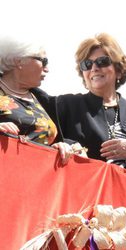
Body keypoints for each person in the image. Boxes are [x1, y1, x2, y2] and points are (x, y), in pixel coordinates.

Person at [38, 33, 126, 176]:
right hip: (89, 195)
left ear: (119, 70)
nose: (94, 68)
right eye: (87, 64)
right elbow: (27, 104)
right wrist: (68, 144)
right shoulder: (66, 105)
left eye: (102, 61)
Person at [0, 35, 78, 165]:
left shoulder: (45, 101)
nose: (47, 69)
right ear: (19, 60)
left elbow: (54, 140)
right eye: (44, 61)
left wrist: (60, 146)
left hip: (37, 178)